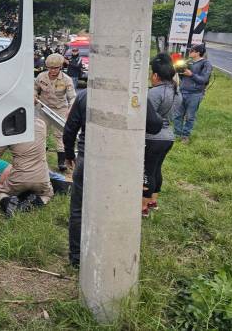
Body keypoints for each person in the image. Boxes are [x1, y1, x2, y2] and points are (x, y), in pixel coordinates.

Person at [63, 89, 163, 267]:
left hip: (88, 159)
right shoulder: (135, 95)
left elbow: (71, 128)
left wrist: (69, 153)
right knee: (116, 208)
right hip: (122, 162)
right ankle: (110, 255)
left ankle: (77, 258)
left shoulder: (86, 94)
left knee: (79, 209)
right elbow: (155, 126)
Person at [0, 118, 54, 217]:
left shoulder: (10, 130)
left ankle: (8, 203)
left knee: (1, 192)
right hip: (42, 177)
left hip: (19, 177)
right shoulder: (42, 124)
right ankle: (34, 202)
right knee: (47, 195)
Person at [143, 53, 181, 216]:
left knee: (147, 173)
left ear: (156, 75)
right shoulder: (177, 92)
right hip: (168, 137)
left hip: (153, 138)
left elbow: (148, 119)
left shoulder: (154, 93)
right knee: (157, 170)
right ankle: (153, 201)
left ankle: (143, 207)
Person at [35, 53, 76, 171]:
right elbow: (35, 88)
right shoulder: (41, 77)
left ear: (60, 67)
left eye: (56, 68)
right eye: (50, 68)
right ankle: (40, 159)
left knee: (60, 135)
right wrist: (33, 95)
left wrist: (70, 110)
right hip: (43, 108)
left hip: (60, 110)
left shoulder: (66, 80)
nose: (53, 70)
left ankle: (62, 162)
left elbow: (72, 97)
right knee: (41, 134)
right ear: (46, 67)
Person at [173, 43, 212, 142]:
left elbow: (204, 79)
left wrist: (191, 75)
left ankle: (185, 136)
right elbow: (182, 77)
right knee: (178, 115)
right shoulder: (188, 62)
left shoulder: (206, 64)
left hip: (195, 94)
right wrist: (180, 71)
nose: (189, 52)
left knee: (190, 116)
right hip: (182, 91)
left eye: (192, 51)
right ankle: (177, 134)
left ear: (198, 53)